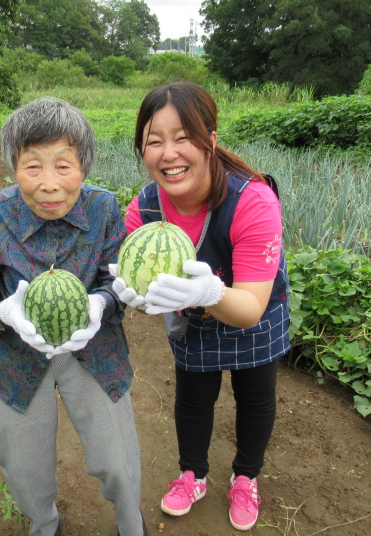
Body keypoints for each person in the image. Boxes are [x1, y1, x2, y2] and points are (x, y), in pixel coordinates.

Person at [0, 97, 147, 536]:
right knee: (22, 465)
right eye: (32, 167)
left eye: (63, 166)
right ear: (12, 167)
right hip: (16, 356)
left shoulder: (103, 209)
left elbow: (117, 281)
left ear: (84, 166)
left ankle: (131, 526)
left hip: (94, 351)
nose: (49, 184)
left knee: (117, 459)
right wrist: (5, 313)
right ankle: (44, 527)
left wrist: (101, 304)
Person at [109, 82, 290, 531]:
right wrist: (129, 294)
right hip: (194, 324)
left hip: (255, 310)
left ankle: (246, 477)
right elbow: (130, 271)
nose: (168, 153)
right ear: (142, 150)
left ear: (210, 138)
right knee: (193, 399)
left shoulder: (254, 200)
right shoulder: (145, 210)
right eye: (154, 141)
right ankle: (193, 473)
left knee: (255, 397)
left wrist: (211, 293)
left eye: (183, 137)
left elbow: (248, 307)